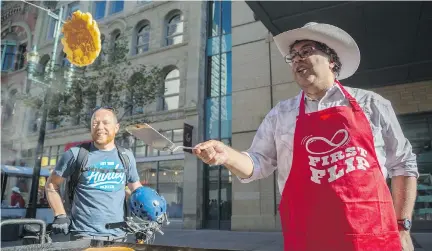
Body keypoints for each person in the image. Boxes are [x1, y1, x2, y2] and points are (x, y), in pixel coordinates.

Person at [193, 22, 418, 251]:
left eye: (307, 51)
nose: (298, 59)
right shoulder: (281, 114)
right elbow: (257, 163)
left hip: (372, 239)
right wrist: (226, 155)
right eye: (293, 56)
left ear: (332, 60)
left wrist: (402, 226)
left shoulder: (372, 104)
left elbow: (404, 164)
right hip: (308, 239)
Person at [45, 107, 142, 241]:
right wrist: (60, 215)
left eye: (105, 123)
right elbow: (51, 185)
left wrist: (150, 209)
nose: (99, 127)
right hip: (83, 236)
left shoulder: (126, 156)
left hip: (119, 236)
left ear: (116, 127)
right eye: (95, 123)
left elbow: (136, 189)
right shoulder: (76, 154)